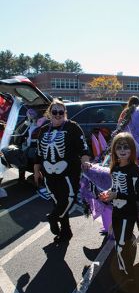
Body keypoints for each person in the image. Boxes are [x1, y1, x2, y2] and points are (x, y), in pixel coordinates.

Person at [34, 99, 91, 243]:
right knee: (57, 201)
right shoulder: (43, 130)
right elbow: (38, 154)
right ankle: (66, 232)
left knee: (68, 200)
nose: (58, 115)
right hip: (49, 175)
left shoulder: (72, 127)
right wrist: (36, 171)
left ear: (65, 113)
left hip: (68, 174)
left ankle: (53, 218)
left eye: (61, 112)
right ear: (49, 113)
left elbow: (83, 148)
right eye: (55, 112)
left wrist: (85, 161)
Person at [99, 132, 139, 288]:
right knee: (119, 243)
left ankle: (128, 276)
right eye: (119, 147)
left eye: (126, 147)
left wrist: (117, 194)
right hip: (117, 210)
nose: (123, 150)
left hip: (127, 213)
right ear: (114, 150)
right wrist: (108, 193)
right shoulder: (115, 167)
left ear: (132, 150)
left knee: (120, 246)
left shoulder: (133, 170)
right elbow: (116, 187)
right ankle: (124, 273)